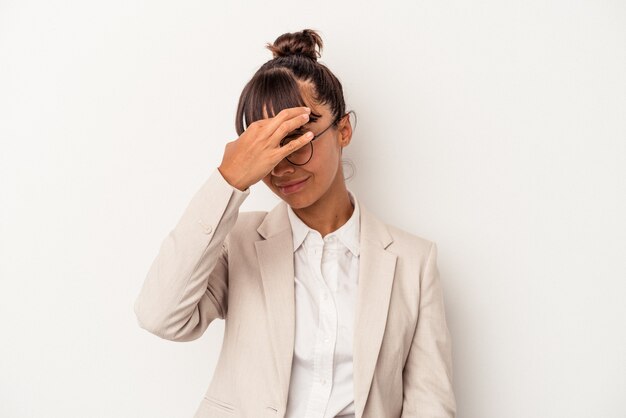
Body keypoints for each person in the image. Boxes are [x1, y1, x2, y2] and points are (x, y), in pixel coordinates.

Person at [134, 28, 456, 418]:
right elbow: (159, 316)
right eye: (268, 146)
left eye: (297, 140)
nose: (283, 166)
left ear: (343, 130)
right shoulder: (237, 242)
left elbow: (430, 406)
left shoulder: (413, 262)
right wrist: (229, 179)